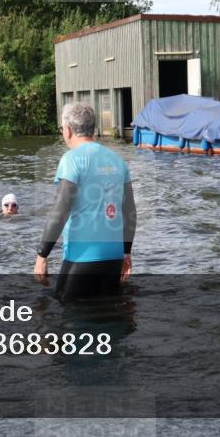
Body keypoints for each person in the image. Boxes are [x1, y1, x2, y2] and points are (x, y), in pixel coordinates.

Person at [33, 102, 137, 302]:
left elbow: (60, 210)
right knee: (106, 317)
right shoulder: (118, 161)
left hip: (81, 258)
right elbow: (129, 211)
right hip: (114, 259)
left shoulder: (71, 159)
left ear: (68, 130)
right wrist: (126, 252)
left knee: (67, 318)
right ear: (94, 129)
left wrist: (42, 255)